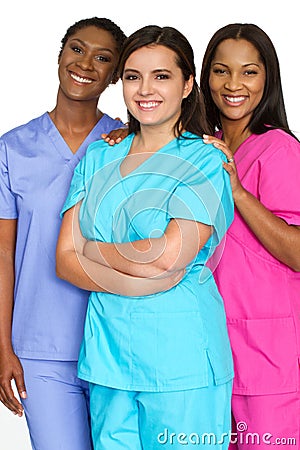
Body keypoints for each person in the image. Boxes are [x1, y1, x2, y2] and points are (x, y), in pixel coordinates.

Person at [56, 25, 234, 450]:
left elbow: (169, 260)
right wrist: (143, 261)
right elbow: (64, 259)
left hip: (183, 360)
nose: (145, 89)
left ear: (188, 84)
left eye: (162, 76)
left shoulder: (205, 159)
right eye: (134, 76)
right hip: (108, 360)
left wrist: (93, 250)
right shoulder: (100, 154)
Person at [0, 17, 131, 450]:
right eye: (77, 49)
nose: (86, 63)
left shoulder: (126, 143)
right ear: (60, 55)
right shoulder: (13, 147)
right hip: (39, 346)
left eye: (103, 58)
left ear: (115, 74)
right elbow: (3, 254)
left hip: (116, 340)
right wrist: (2, 346)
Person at [200, 23, 300, 449]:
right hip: (211, 352)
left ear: (268, 79)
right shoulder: (206, 148)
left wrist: (238, 191)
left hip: (268, 358)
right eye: (221, 71)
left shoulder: (279, 149)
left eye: (249, 72)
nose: (233, 84)